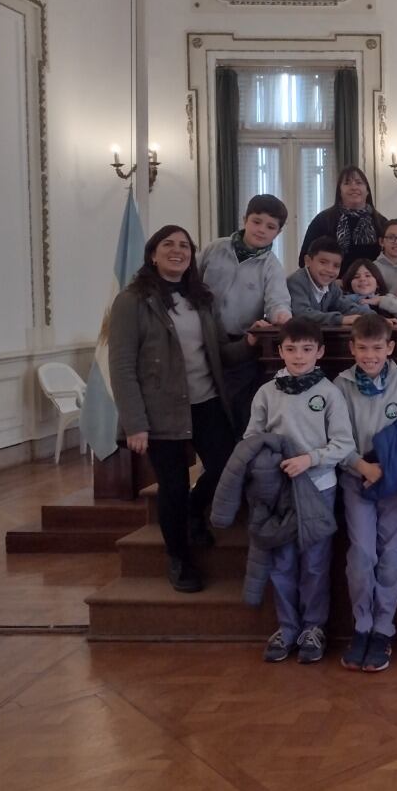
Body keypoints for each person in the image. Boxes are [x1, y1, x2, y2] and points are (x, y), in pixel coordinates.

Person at [108, 224, 253, 593]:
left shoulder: (200, 297)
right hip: (161, 411)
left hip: (206, 401)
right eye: (168, 245)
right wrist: (134, 424)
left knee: (225, 466)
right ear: (153, 254)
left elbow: (220, 351)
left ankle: (194, 511)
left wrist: (252, 340)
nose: (178, 251)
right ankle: (179, 559)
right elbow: (122, 366)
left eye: (185, 246)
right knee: (171, 486)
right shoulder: (132, 301)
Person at [241, 317, 353, 665]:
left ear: (319, 351)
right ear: (280, 352)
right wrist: (268, 462)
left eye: (307, 349)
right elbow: (251, 438)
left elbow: (343, 444)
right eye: (291, 349)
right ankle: (288, 627)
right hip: (278, 493)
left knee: (315, 564)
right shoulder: (267, 393)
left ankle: (313, 628)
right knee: (282, 561)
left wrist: (310, 459)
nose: (299, 356)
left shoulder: (329, 393)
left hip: (318, 488)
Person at [335, 314, 397, 672]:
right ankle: (361, 626)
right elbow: (336, 439)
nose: (370, 355)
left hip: (395, 483)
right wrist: (364, 467)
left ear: (390, 348)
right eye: (363, 348)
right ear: (352, 348)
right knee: (362, 554)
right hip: (357, 478)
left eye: (378, 348)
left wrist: (389, 470)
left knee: (392, 555)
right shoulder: (341, 384)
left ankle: (382, 630)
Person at [199, 193, 293, 431]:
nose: (262, 230)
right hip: (202, 340)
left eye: (270, 226)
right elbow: (192, 282)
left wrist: (281, 317)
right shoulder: (215, 249)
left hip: (240, 345)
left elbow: (277, 302)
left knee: (235, 408)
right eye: (256, 221)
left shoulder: (272, 266)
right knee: (204, 408)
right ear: (244, 219)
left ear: (278, 232)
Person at [299, 166, 388, 273]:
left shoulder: (381, 223)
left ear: (367, 191)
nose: (354, 187)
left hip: (371, 286)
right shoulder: (323, 220)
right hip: (331, 286)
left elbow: (391, 258)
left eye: (359, 182)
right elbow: (304, 260)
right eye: (347, 183)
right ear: (339, 192)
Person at [288, 238, 368, 326]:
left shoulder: (331, 286)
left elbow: (346, 306)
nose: (330, 270)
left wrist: (375, 317)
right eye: (323, 262)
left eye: (336, 265)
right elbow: (302, 314)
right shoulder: (296, 281)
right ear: (308, 261)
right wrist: (340, 319)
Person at [339, 258, 397, 325]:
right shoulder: (343, 301)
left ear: (377, 282)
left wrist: (382, 301)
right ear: (350, 283)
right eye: (356, 277)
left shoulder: (389, 298)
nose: (362, 279)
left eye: (368, 275)